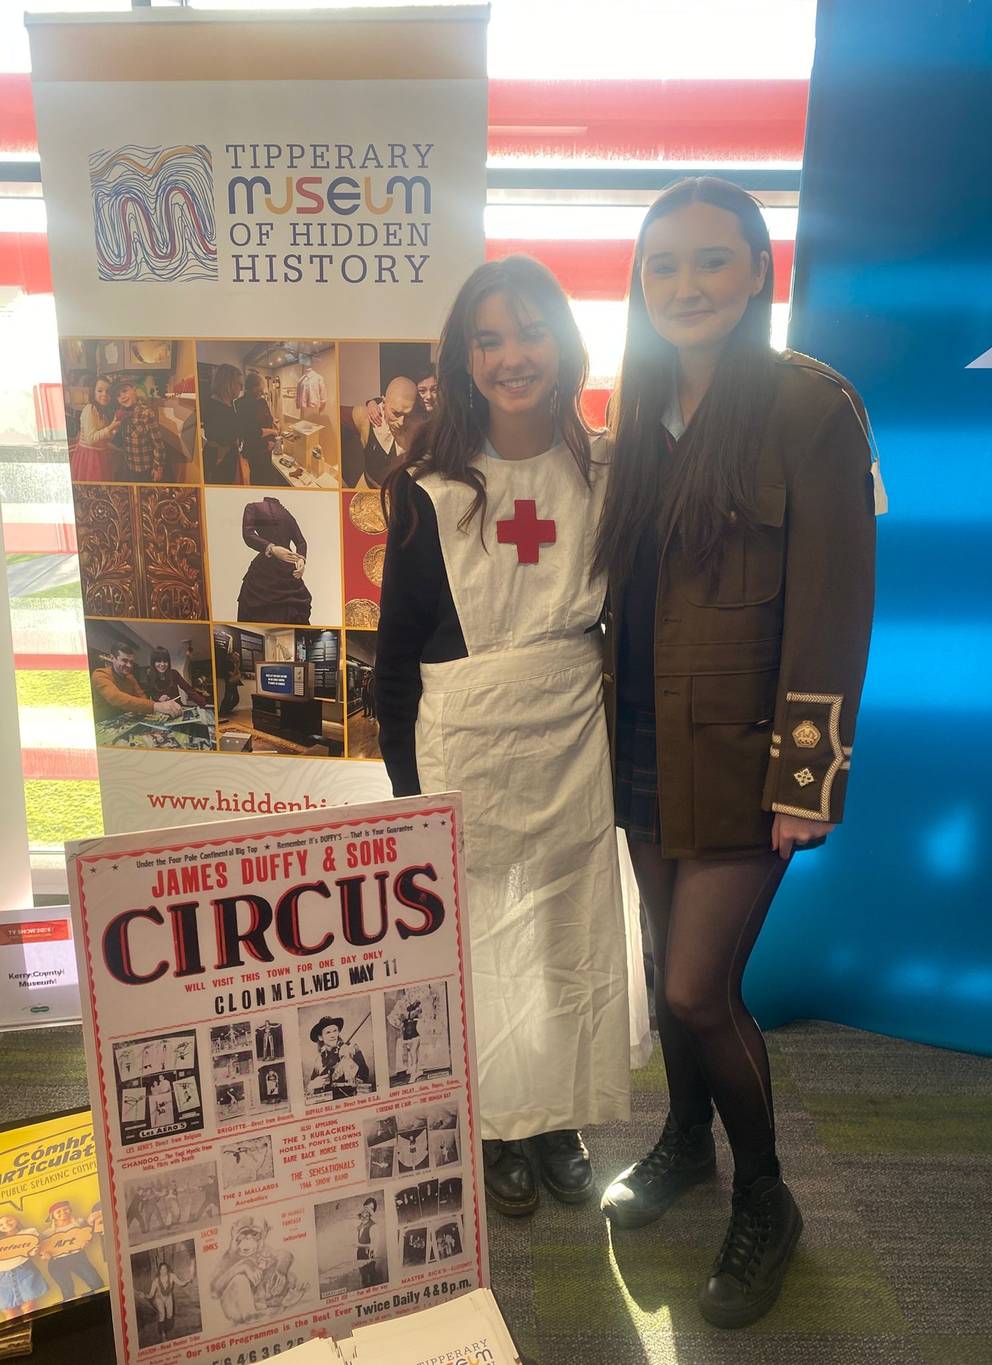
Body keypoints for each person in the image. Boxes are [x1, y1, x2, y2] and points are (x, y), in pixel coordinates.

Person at [596, 177, 877, 1329]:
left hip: (747, 757)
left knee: (695, 988)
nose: (685, 285)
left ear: (757, 272)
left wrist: (806, 782)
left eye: (711, 260)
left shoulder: (810, 407)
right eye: (662, 265)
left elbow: (833, 609)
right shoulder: (640, 402)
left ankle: (766, 1196)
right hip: (642, 737)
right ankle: (684, 1141)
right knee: (664, 972)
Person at [375, 256, 632, 1218]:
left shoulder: (605, 469)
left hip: (566, 731)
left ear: (562, 342)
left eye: (529, 332)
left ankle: (556, 1117)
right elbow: (396, 652)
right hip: (464, 740)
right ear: (464, 359)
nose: (512, 355)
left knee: (562, 931)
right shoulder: (428, 486)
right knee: (480, 940)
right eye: (489, 339)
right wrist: (407, 791)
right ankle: (494, 1122)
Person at [237, 497, 312, 624]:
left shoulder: (254, 507)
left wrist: (300, 559)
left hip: (273, 571)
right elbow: (301, 542)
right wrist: (299, 558)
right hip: (278, 571)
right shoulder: (286, 514)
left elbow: (248, 534)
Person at [347, 376, 423, 488]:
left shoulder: (420, 427)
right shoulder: (365, 418)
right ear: (384, 404)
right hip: (368, 488)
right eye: (395, 413)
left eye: (408, 415)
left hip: (401, 492)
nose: (401, 422)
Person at [91, 640, 183, 724]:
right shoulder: (99, 674)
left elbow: (142, 697)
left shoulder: (130, 677)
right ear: (112, 658)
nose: (129, 665)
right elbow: (115, 697)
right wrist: (156, 706)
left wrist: (158, 705)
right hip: (103, 725)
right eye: (124, 661)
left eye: (131, 662)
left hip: (126, 722)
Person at [0, 1214, 47, 1320]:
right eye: (1, 1224)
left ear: (16, 1220)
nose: (6, 1224)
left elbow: (36, 1248)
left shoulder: (28, 1233)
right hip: (2, 1277)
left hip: (24, 1272)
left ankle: (36, 1327)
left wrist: (35, 1251)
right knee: (9, 1312)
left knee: (29, 1307)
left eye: (9, 1220)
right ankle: (17, 1329)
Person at [39, 1201, 104, 1300]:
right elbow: (42, 1252)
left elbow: (90, 1234)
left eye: (65, 1209)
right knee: (67, 1291)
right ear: (52, 1216)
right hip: (57, 1261)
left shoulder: (79, 1223)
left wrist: (87, 1241)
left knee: (96, 1283)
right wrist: (45, 1255)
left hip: (78, 1257)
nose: (63, 1212)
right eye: (58, 1211)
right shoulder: (47, 1233)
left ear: (70, 1210)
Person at [235, 371, 284, 486]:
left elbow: (269, 417)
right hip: (257, 449)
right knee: (260, 478)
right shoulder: (241, 404)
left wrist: (274, 422)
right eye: (261, 388)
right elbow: (252, 432)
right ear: (254, 388)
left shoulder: (262, 401)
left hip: (267, 448)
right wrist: (272, 432)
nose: (263, 391)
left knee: (267, 474)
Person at [110, 380, 164, 482]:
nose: (122, 397)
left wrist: (158, 468)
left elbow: (158, 444)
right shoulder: (120, 413)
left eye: (125, 391)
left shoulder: (147, 413)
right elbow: (118, 439)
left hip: (145, 468)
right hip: (129, 466)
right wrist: (115, 428)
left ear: (134, 389)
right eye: (118, 395)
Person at [306, 1017, 370, 1100]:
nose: (332, 1035)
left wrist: (349, 1058)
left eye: (335, 1031)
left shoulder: (351, 1049)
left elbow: (364, 1075)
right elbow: (314, 1083)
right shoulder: (319, 1060)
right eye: (328, 1032)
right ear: (320, 1037)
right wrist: (313, 1084)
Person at [70, 374, 120, 482]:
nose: (104, 394)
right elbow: (91, 439)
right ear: (93, 392)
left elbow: (104, 437)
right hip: (90, 457)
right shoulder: (90, 409)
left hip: (101, 455)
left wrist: (114, 431)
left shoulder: (104, 410)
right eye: (100, 391)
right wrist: (111, 427)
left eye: (108, 391)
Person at [202, 363, 245, 485]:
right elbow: (222, 436)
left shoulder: (228, 403)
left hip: (226, 456)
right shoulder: (214, 406)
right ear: (228, 383)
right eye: (239, 384)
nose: (241, 388)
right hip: (219, 458)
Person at [355, 1199, 382, 1288]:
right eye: (366, 1207)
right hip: (359, 1257)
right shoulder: (360, 1224)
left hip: (368, 1258)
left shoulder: (374, 1226)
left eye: (371, 1209)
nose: (368, 1210)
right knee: (363, 1280)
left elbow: (373, 1246)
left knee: (370, 1281)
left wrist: (359, 1246)